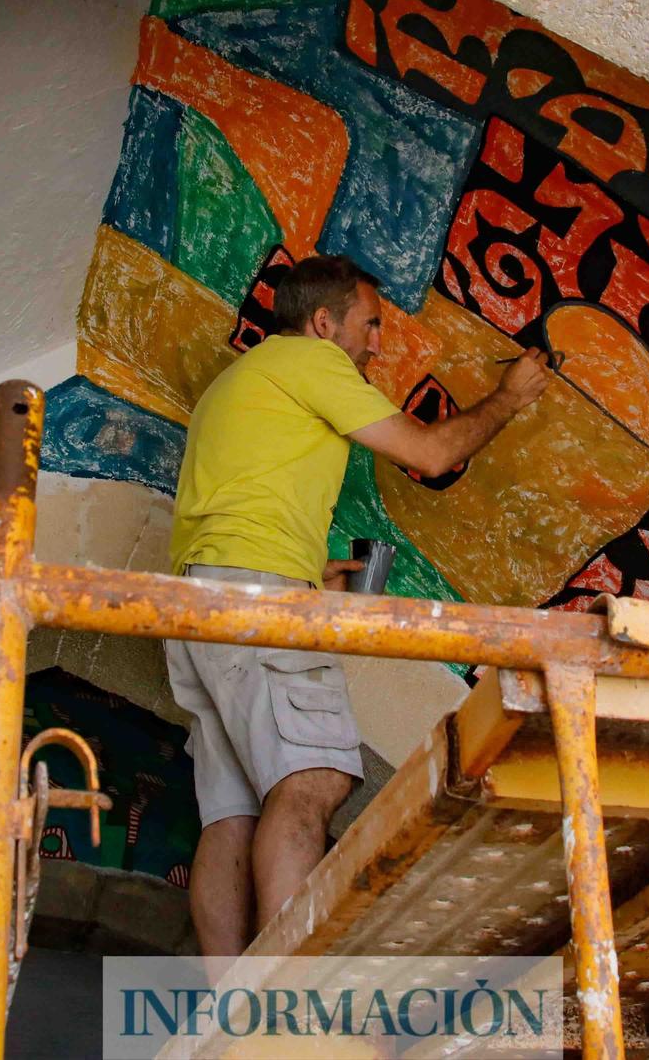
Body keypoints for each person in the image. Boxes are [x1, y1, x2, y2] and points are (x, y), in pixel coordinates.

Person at [165, 253, 551, 957]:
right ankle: (276, 1011)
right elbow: (429, 453)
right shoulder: (311, 362)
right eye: (371, 325)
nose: (379, 344)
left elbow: (232, 514)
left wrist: (307, 576)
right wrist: (509, 397)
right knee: (314, 779)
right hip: (255, 596)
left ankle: (224, 1015)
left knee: (232, 813)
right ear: (323, 321)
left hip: (198, 605)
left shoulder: (234, 385)